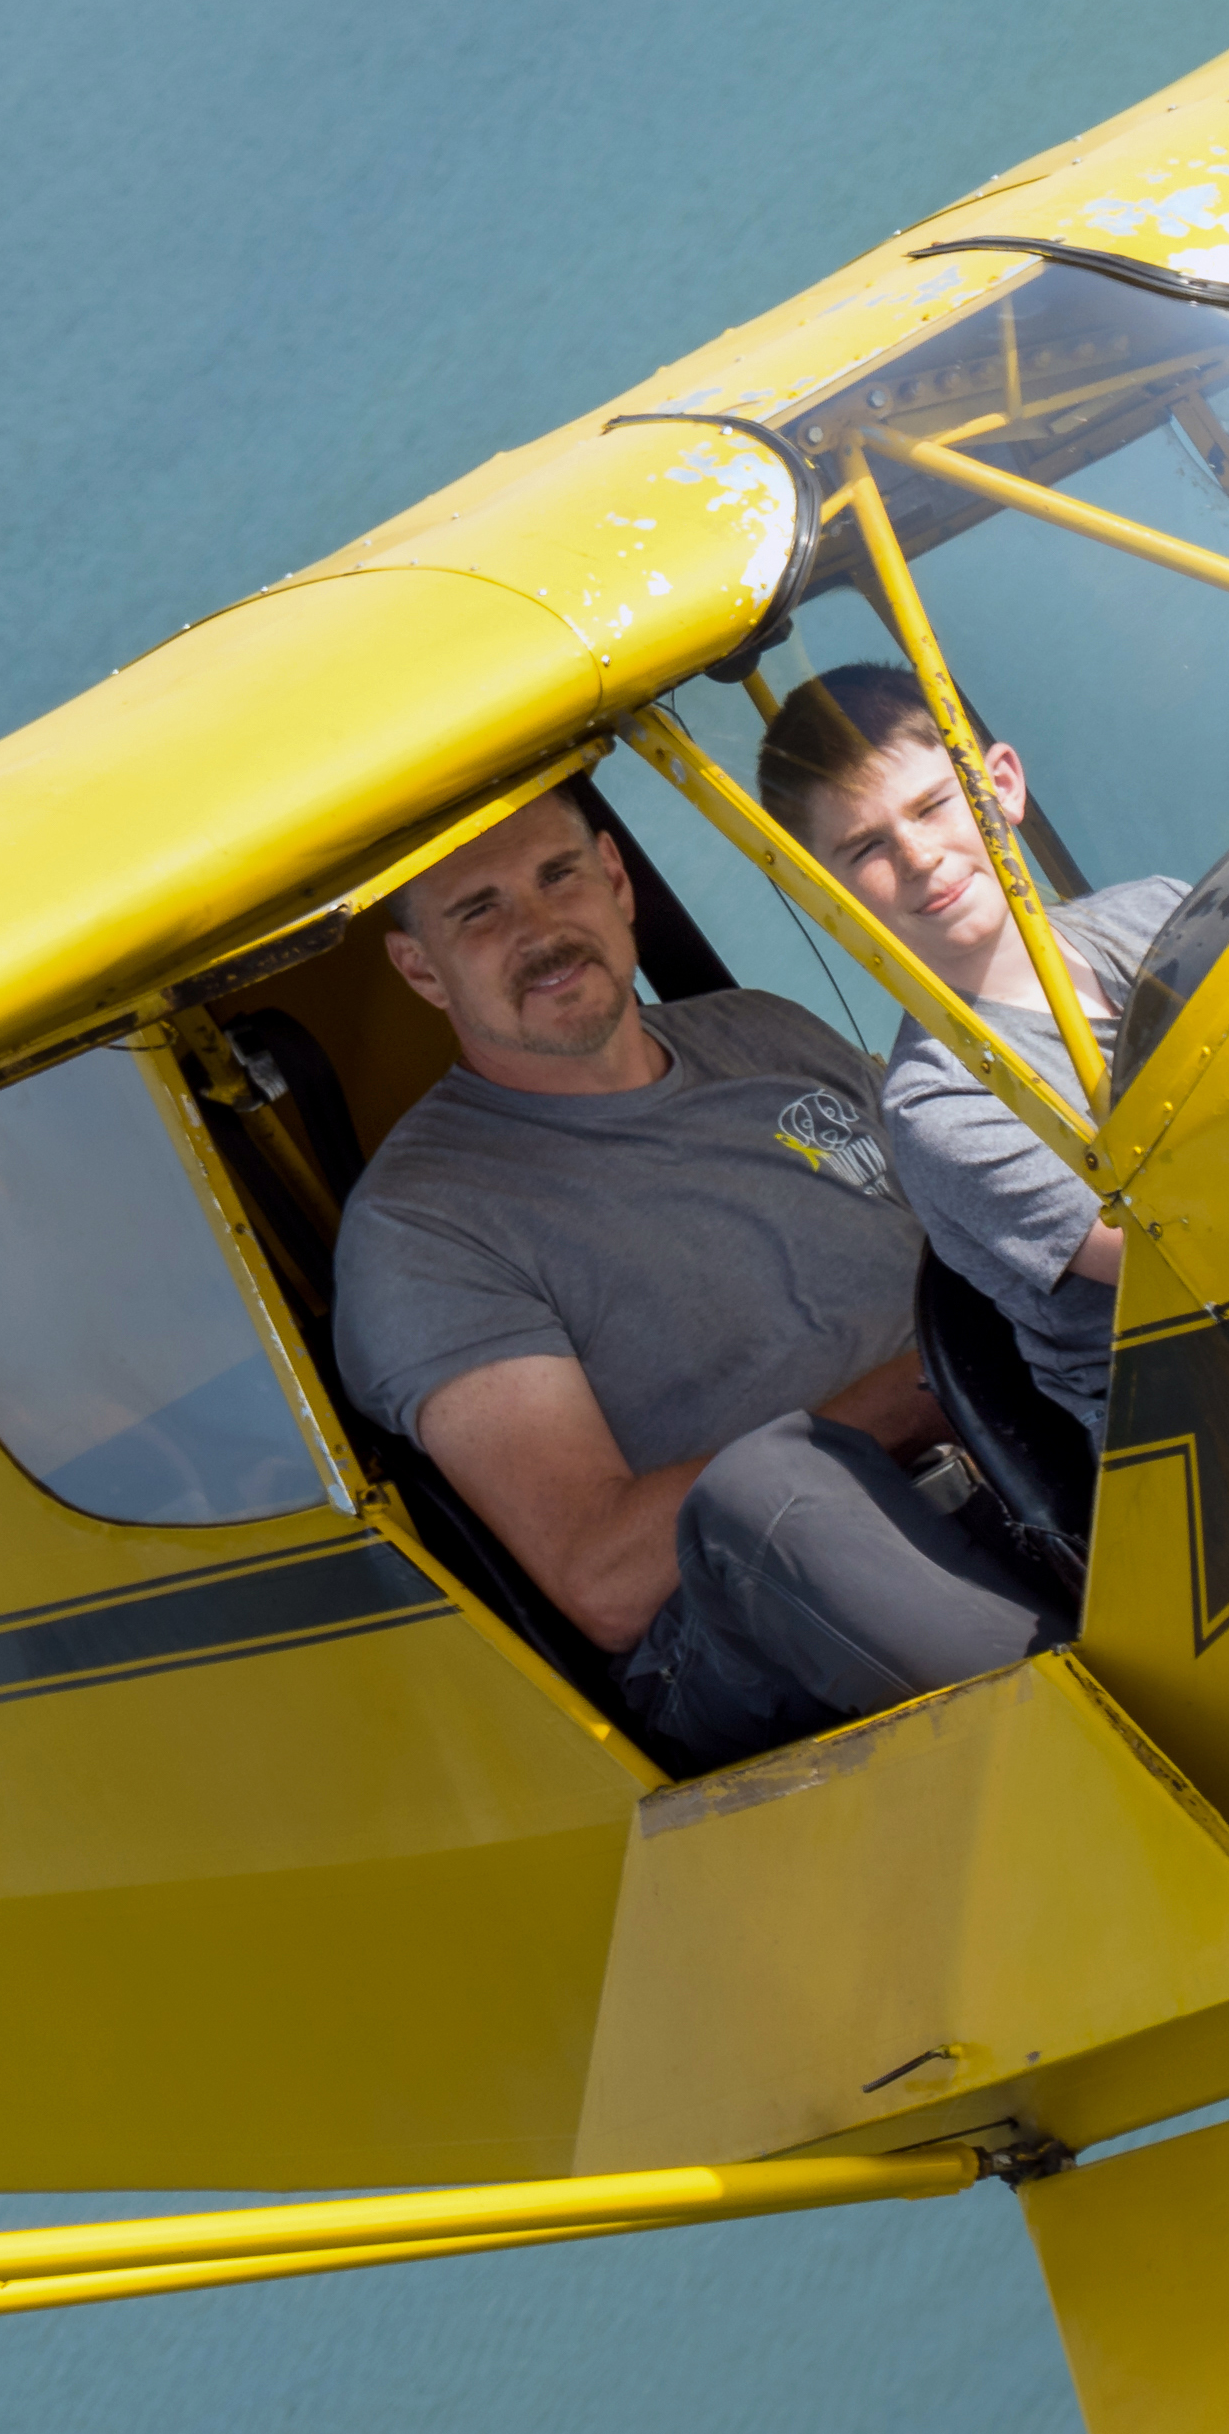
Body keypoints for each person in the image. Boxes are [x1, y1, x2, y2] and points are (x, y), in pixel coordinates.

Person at [329, 779, 1060, 1768]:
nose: (542, 930)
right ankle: (1111, 1745)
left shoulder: (763, 1032)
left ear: (617, 881)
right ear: (421, 969)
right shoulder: (423, 1222)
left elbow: (981, 1217)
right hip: (748, 1620)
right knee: (767, 1495)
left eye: (559, 878)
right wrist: (922, 1390)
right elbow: (604, 1578)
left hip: (1011, 1444)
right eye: (481, 912)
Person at [749, 667, 1184, 1433]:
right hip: (1197, 1406)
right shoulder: (940, 1104)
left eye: (933, 805)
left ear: (1003, 785)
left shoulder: (1161, 911)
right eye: (865, 848)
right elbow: (1168, 1256)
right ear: (830, 897)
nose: (919, 857)